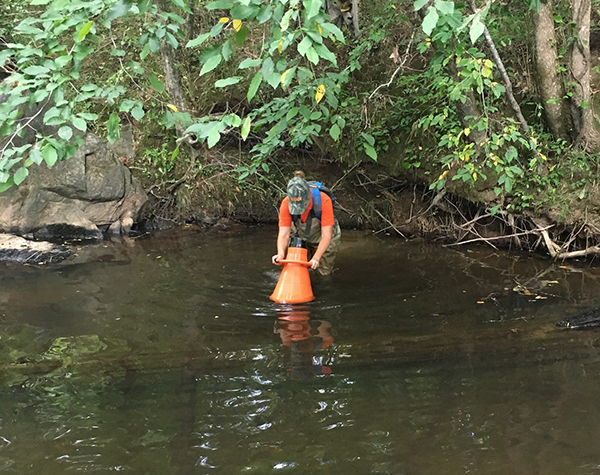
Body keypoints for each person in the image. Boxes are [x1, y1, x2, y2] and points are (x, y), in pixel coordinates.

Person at [272, 171, 341, 275]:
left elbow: (326, 235)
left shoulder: (323, 200)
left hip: (323, 235)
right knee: (298, 269)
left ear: (308, 195)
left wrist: (316, 258)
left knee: (323, 272)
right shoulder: (286, 203)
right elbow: (284, 234)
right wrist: (280, 254)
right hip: (301, 234)